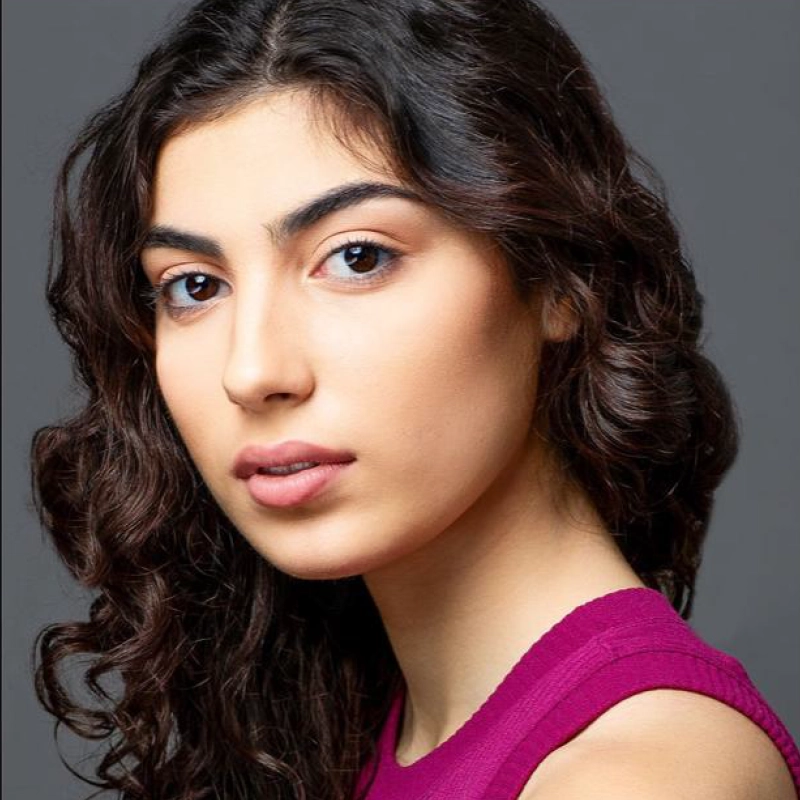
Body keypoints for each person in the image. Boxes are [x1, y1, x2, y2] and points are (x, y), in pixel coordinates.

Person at [29, 1, 800, 798]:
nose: (251, 371)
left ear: (559, 282)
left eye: (357, 257)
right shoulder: (346, 727)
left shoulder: (639, 775)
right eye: (195, 286)